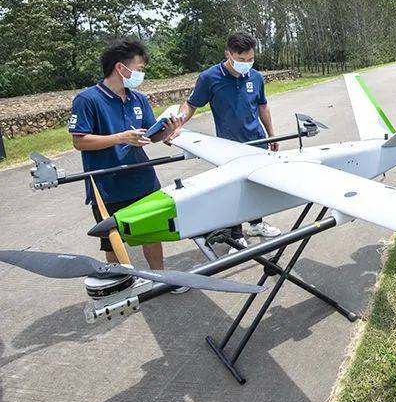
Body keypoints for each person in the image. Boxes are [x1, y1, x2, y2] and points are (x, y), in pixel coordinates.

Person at [69, 40, 185, 290]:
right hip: (108, 184)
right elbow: (80, 141)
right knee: (113, 240)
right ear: (121, 68)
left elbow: (150, 134)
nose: (141, 74)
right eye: (139, 67)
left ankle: (160, 279)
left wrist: (167, 132)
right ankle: (123, 281)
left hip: (142, 178)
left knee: (152, 232)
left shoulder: (139, 99)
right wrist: (120, 137)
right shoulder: (88, 99)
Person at [173, 32, 281, 252]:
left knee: (257, 186)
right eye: (242, 60)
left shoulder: (256, 77)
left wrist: (271, 135)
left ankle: (256, 224)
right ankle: (237, 235)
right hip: (227, 147)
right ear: (228, 54)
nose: (247, 64)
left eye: (251, 59)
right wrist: (179, 123)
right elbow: (191, 104)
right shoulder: (210, 78)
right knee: (234, 190)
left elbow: (262, 106)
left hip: (257, 142)